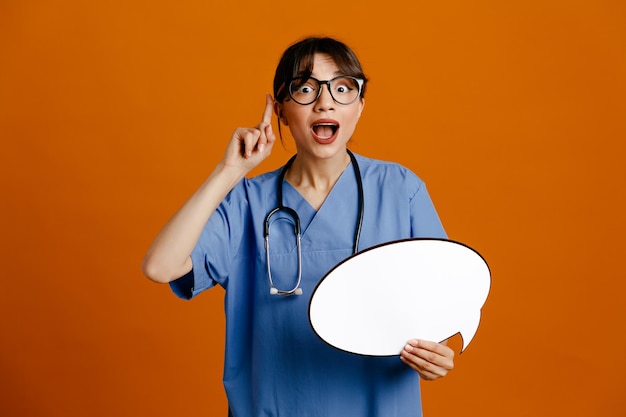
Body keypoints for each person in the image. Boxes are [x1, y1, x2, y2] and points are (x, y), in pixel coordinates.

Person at [143, 36, 454, 417]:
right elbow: (161, 266)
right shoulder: (246, 202)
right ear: (280, 109)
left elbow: (442, 307)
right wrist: (230, 172)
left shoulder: (400, 190)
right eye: (305, 89)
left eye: (343, 88)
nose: (325, 101)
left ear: (360, 106)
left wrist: (436, 355)